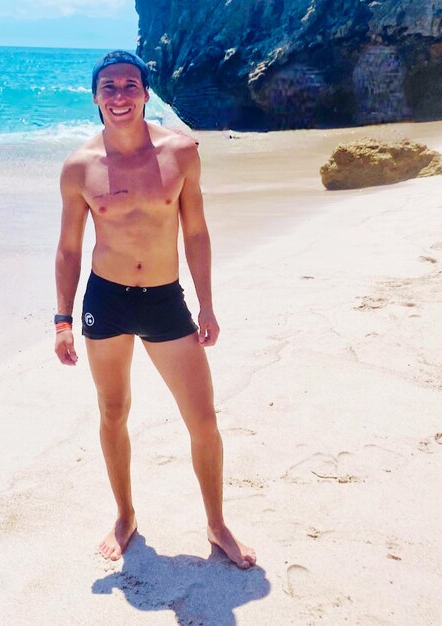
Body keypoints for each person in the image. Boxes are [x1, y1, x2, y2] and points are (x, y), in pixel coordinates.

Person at [54, 50, 256, 569]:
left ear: (146, 93)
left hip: (166, 301)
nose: (119, 96)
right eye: (109, 87)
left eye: (129, 85)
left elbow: (196, 231)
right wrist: (62, 320)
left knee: (203, 419)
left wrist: (207, 305)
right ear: (96, 97)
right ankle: (125, 516)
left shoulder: (181, 152)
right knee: (113, 412)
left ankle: (216, 524)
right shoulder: (79, 167)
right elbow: (70, 248)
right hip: (107, 301)